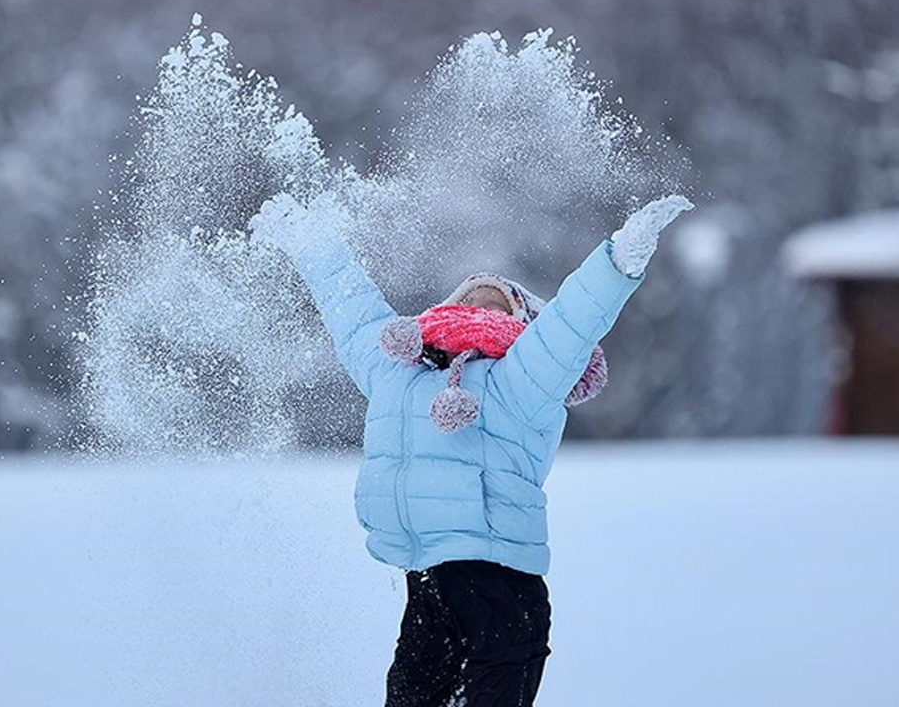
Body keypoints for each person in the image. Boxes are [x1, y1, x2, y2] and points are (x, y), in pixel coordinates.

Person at [249, 192, 693, 707]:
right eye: (469, 298)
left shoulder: (524, 378)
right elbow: (353, 312)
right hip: (429, 585)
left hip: (503, 590)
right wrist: (313, 244)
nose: (479, 305)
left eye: (497, 302)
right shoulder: (399, 371)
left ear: (524, 324)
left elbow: (571, 324)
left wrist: (617, 261)